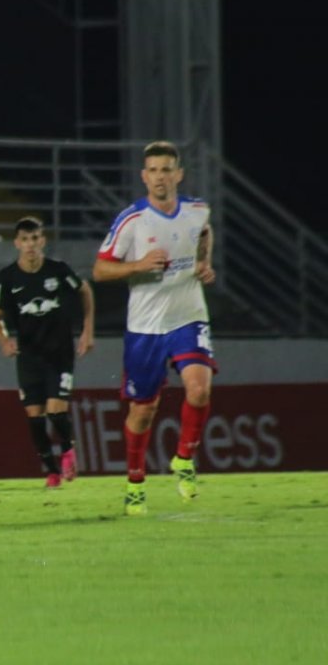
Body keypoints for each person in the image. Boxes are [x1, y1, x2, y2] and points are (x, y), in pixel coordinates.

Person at [93, 141, 216, 516]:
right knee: (144, 411)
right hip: (146, 326)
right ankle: (134, 483)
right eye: (153, 170)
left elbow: (205, 233)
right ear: (144, 176)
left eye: (167, 169)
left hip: (188, 315)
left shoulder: (196, 210)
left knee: (198, 389)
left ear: (178, 174)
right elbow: (100, 270)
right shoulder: (132, 220)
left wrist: (203, 263)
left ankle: (183, 459)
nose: (160, 177)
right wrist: (138, 265)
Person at [0, 216, 95, 488]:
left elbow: (85, 291)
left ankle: (68, 451)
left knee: (56, 412)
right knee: (35, 418)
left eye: (35, 238)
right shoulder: (8, 278)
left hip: (59, 353)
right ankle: (51, 472)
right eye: (25, 240)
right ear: (17, 243)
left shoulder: (58, 271)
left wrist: (87, 330)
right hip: (29, 355)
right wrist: (4, 340)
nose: (30, 245)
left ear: (42, 240)